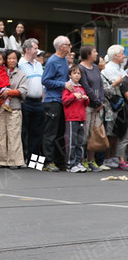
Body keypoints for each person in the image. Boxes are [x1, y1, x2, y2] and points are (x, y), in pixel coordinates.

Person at [41, 36, 74, 172]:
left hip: (62, 100)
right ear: (61, 47)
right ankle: (48, 161)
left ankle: (59, 161)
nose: (70, 47)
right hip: (52, 100)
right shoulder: (53, 61)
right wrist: (64, 84)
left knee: (61, 132)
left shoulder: (64, 60)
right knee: (51, 132)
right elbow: (45, 80)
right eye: (68, 44)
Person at [0, 49, 28, 169]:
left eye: (14, 58)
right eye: (9, 58)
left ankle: (14, 161)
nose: (11, 60)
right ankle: (2, 160)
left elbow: (24, 90)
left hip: (14, 107)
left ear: (17, 59)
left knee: (14, 134)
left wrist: (10, 92)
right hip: (1, 106)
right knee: (2, 133)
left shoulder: (21, 74)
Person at [78, 45, 104, 172]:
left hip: (97, 106)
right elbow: (86, 87)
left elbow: (100, 84)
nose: (96, 53)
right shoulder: (81, 68)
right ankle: (82, 160)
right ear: (87, 54)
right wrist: (96, 100)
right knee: (85, 133)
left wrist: (101, 100)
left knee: (95, 134)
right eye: (94, 51)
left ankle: (91, 160)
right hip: (87, 105)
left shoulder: (95, 68)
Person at [19, 38, 45, 163]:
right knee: (23, 131)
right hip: (25, 102)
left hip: (39, 102)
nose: (37, 51)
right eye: (35, 48)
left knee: (37, 132)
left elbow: (43, 84)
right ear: (27, 50)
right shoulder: (20, 64)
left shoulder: (39, 65)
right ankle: (23, 158)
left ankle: (34, 161)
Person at [101, 45, 127, 169]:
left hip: (121, 105)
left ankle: (115, 157)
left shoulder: (120, 68)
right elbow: (109, 89)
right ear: (115, 56)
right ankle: (107, 157)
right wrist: (118, 83)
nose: (124, 55)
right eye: (122, 53)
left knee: (118, 133)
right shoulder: (107, 69)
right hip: (111, 106)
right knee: (110, 132)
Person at [62, 65, 89, 173]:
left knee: (80, 142)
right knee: (71, 142)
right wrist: (73, 96)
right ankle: (70, 164)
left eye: (78, 73)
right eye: (74, 73)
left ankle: (79, 162)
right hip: (71, 118)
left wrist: (86, 99)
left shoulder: (81, 88)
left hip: (81, 117)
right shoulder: (69, 88)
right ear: (70, 75)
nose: (77, 75)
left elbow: (86, 104)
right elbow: (64, 101)